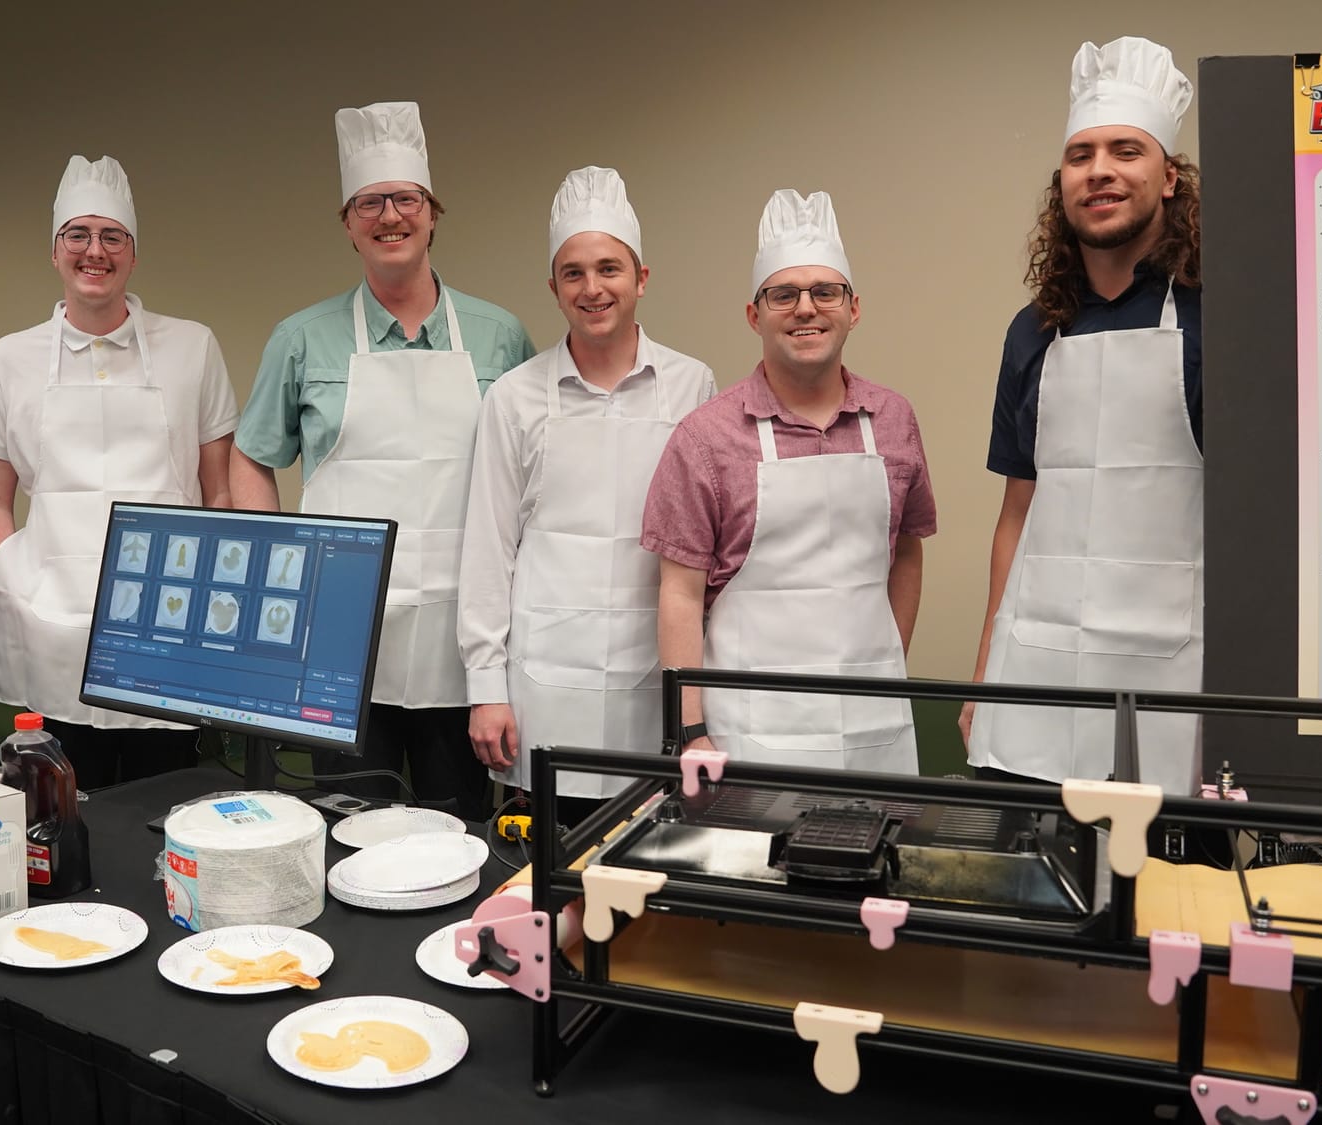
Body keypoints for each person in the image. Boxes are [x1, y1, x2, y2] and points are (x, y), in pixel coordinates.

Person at [230, 101, 533, 821]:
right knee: (350, 830)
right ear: (348, 222)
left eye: (406, 200)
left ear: (432, 215)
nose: (389, 216)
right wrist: (281, 577)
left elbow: (528, 477)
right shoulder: (302, 338)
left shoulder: (498, 334)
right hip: (339, 640)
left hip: (464, 642)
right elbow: (251, 459)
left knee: (457, 829)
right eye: (369, 202)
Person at [962, 36, 1205, 795]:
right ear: (1062, 183)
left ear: (1169, 177)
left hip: (1169, 675)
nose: (1099, 170)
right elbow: (1018, 510)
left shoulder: (1218, 318)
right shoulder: (1034, 329)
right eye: (1080, 155)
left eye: (1126, 150)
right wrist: (984, 672)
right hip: (1036, 666)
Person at [643, 190, 936, 772]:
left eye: (825, 291)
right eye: (784, 295)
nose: (806, 309)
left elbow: (906, 551)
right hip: (750, 733)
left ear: (853, 309)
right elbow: (679, 593)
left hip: (873, 728)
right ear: (755, 315)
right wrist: (691, 730)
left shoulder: (894, 419)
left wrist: (886, 666)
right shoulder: (705, 437)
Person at [0, 156, 239, 789]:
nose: (95, 251)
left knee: (164, 804)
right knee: (69, 814)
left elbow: (220, 490)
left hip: (167, 631)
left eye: (112, 236)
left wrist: (212, 604)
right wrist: (19, 579)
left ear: (133, 253)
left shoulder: (192, 347)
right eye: (78, 235)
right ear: (55, 250)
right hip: (54, 631)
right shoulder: (9, 359)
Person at [458, 166, 713, 817]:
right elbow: (488, 548)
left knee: (644, 861)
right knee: (539, 864)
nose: (592, 288)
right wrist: (486, 687)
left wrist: (699, 705)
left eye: (609, 268)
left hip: (653, 685)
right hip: (543, 688)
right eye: (573, 273)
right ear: (554, 288)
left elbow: (708, 552)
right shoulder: (513, 397)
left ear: (642, 278)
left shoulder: (693, 386)